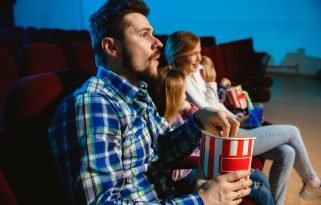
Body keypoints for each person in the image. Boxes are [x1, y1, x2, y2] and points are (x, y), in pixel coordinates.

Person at [48, 1, 252, 205]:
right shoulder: (93, 104)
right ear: (112, 47)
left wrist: (198, 121)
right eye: (144, 35)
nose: (158, 43)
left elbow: (163, 149)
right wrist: (201, 201)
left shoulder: (138, 93)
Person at [164, 31, 321, 204]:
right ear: (177, 57)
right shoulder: (178, 82)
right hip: (223, 138)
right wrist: (211, 84)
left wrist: (238, 118)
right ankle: (312, 181)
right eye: (193, 54)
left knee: (287, 152)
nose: (199, 58)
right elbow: (210, 113)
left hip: (232, 127)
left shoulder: (195, 74)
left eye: (199, 52)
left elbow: (218, 106)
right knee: (292, 131)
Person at [149, 67, 274, 205]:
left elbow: (200, 120)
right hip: (189, 174)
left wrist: (190, 108)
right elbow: (171, 169)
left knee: (260, 177)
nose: (186, 96)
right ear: (173, 97)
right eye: (182, 93)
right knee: (261, 192)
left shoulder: (182, 114)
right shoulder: (165, 125)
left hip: (210, 161)